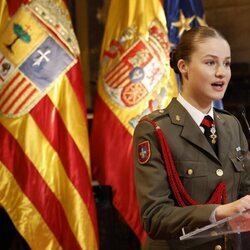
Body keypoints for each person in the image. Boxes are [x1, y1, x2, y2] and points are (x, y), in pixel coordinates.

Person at [133, 26, 250, 250]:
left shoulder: (231, 124)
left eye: (226, 63)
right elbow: (154, 218)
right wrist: (218, 212)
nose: (221, 73)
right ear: (184, 67)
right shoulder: (155, 129)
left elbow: (246, 191)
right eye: (210, 62)